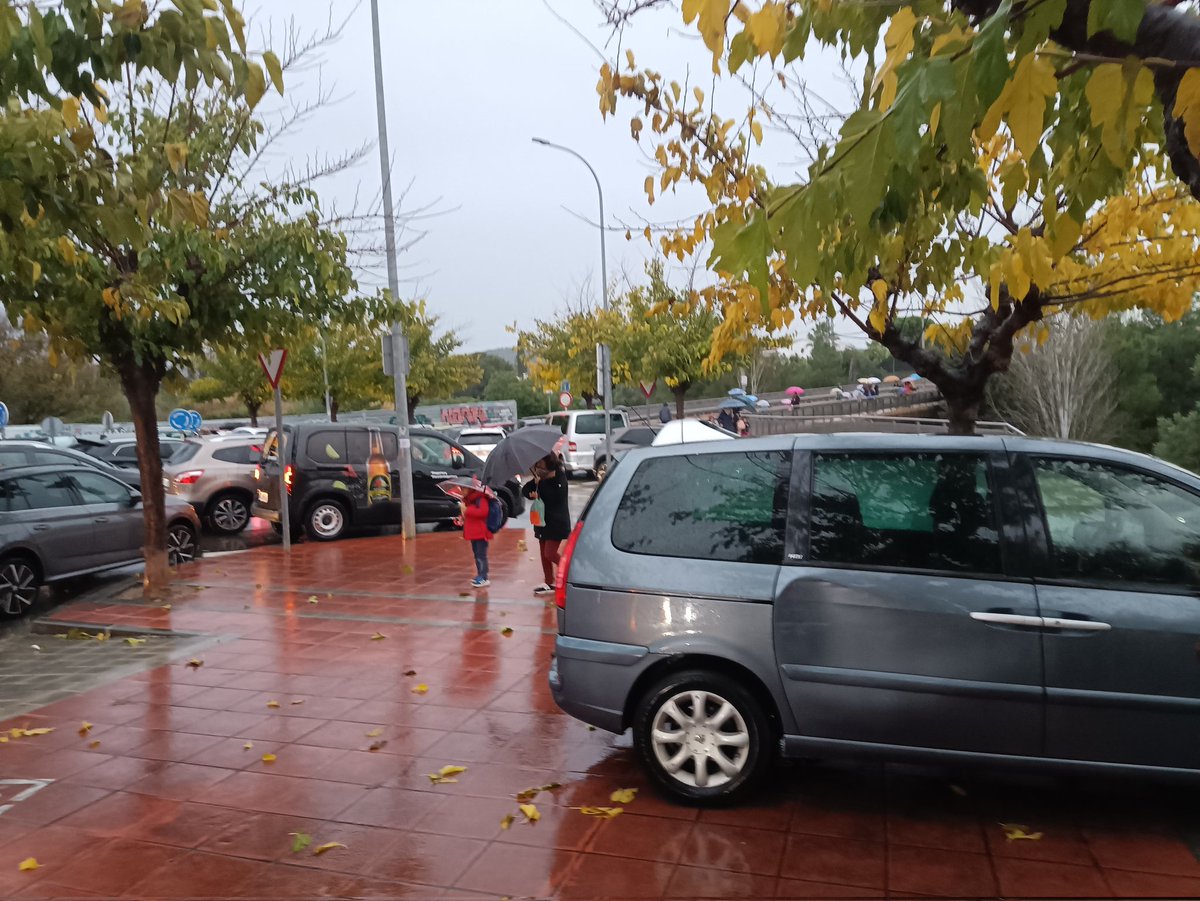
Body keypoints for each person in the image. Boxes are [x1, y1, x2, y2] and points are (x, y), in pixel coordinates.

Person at [523, 454, 571, 596]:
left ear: (549, 465)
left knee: (549, 553)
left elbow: (556, 498)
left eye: (541, 465)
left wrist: (541, 487)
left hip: (556, 523)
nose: (539, 468)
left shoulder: (560, 478)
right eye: (537, 465)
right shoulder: (541, 479)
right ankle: (549, 582)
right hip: (542, 522)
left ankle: (570, 571)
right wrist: (535, 485)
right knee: (543, 555)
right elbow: (525, 490)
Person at [460, 483, 493, 588]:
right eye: (461, 489)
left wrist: (467, 510)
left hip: (480, 533)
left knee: (481, 556)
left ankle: (484, 577)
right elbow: (469, 516)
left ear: (470, 489)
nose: (462, 491)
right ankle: (480, 575)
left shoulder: (480, 498)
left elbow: (483, 512)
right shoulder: (468, 500)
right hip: (473, 533)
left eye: (463, 489)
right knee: (477, 555)